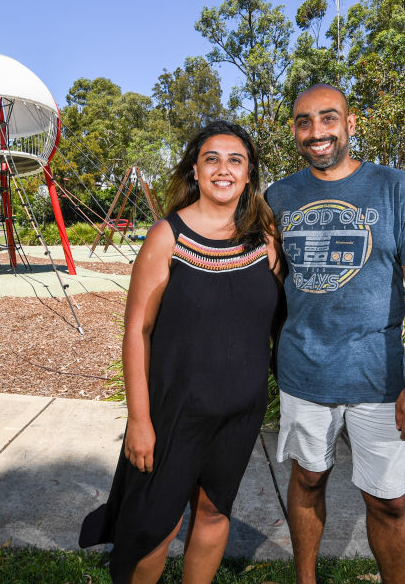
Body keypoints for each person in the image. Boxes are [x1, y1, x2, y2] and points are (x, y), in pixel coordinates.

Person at [79, 121, 283, 584]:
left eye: (236, 160)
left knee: (213, 511)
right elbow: (137, 330)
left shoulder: (264, 237)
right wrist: (139, 419)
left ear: (249, 174)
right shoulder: (166, 237)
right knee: (156, 524)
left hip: (240, 413)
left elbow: (278, 319)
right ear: (195, 169)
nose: (224, 169)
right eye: (212, 159)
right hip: (175, 412)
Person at [264, 84, 405, 584]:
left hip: (378, 379)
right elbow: (269, 285)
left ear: (350, 123)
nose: (316, 133)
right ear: (294, 130)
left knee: (388, 501)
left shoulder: (396, 190)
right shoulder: (280, 197)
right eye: (303, 122)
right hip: (303, 373)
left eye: (328, 118)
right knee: (307, 478)